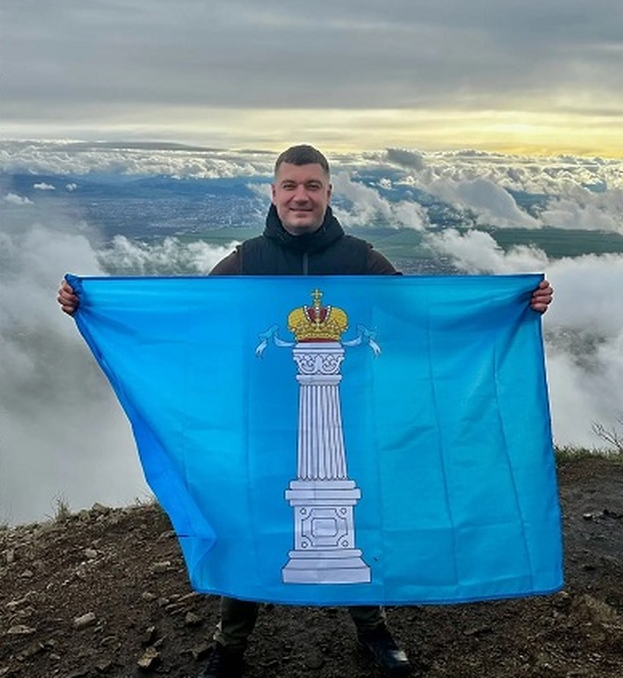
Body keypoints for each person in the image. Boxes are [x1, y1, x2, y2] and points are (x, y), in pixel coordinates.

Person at [57, 144, 554, 678]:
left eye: (312, 186)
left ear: (328, 194)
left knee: (357, 524)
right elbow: (191, 321)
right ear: (273, 194)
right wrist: (91, 305)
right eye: (290, 185)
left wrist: (513, 306)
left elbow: (422, 319)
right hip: (263, 424)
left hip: (349, 418)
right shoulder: (246, 262)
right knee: (248, 521)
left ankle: (372, 627)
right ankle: (231, 642)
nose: (300, 196)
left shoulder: (361, 261)